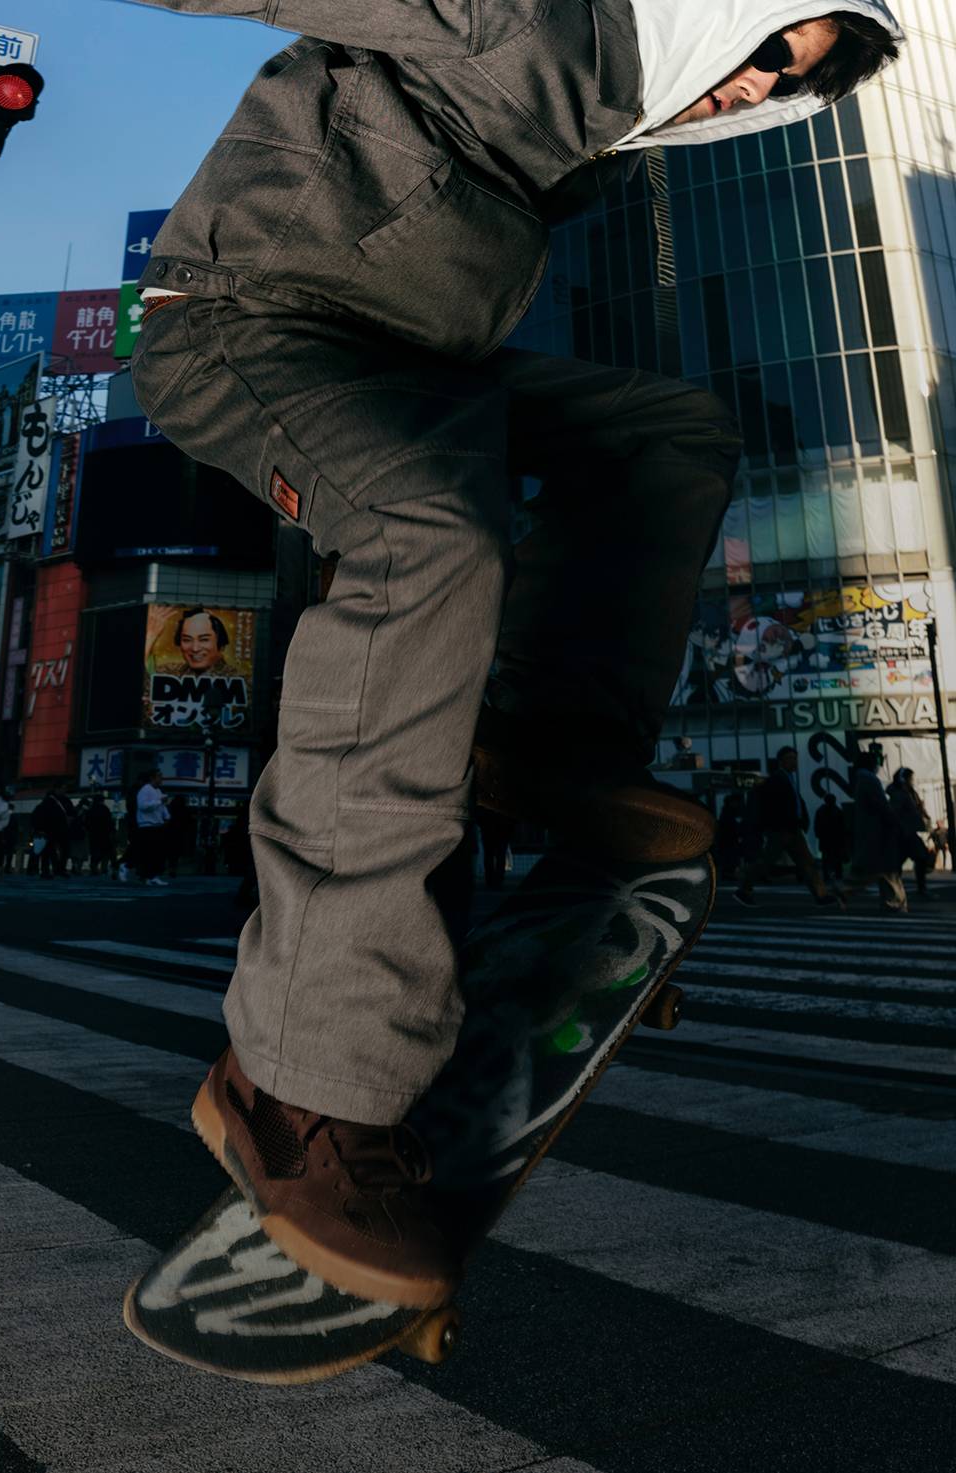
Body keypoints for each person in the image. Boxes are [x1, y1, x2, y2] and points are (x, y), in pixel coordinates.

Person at [127, 0, 902, 1306]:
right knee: (425, 535)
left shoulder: (610, 119)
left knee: (668, 439)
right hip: (246, 325)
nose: (754, 86)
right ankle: (297, 1089)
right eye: (774, 46)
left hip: (412, 372)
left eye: (792, 82)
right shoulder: (530, 16)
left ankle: (547, 746)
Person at [734, 747, 842, 908]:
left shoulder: (788, 778)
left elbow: (795, 803)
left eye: (795, 758)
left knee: (807, 862)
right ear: (781, 761)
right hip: (781, 829)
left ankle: (821, 895)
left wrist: (800, 821)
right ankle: (744, 889)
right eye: (790, 758)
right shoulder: (777, 779)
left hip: (791, 828)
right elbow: (771, 806)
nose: (794, 761)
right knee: (767, 862)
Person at [847, 751, 907, 913]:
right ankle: (894, 903)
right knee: (887, 870)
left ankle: (893, 902)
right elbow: (881, 805)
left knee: (878, 871)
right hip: (879, 832)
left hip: (872, 832)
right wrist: (895, 821)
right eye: (877, 762)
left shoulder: (860, 779)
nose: (879, 766)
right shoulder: (870, 780)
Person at [887, 767, 934, 899]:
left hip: (908, 832)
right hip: (904, 832)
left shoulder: (908, 793)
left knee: (903, 861)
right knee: (918, 858)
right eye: (910, 778)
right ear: (903, 779)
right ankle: (914, 889)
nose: (912, 781)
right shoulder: (899, 794)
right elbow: (896, 813)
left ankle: (897, 888)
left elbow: (916, 808)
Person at [136, 769, 171, 886]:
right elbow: (143, 806)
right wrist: (159, 801)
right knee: (149, 853)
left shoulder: (158, 791)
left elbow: (162, 806)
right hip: (147, 825)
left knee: (157, 853)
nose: (161, 779)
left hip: (157, 825)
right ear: (152, 778)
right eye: (159, 776)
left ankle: (154, 875)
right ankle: (146, 876)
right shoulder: (145, 790)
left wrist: (167, 816)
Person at [813, 791, 849, 885]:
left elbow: (817, 824)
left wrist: (818, 834)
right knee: (836, 857)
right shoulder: (837, 811)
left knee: (827, 857)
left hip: (826, 838)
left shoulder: (821, 811)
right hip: (834, 838)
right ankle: (837, 874)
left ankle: (827, 875)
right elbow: (842, 826)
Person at [86, 794, 117, 876]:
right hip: (104, 833)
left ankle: (94, 867)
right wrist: (112, 831)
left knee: (95, 852)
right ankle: (106, 868)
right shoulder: (105, 809)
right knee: (108, 852)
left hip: (93, 834)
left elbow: (87, 822)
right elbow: (109, 822)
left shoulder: (91, 809)